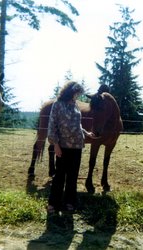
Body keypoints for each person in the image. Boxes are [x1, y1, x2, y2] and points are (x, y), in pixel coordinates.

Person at [47, 81, 96, 213]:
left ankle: (70, 202)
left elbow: (77, 124)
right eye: (77, 93)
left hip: (77, 146)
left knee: (73, 176)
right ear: (70, 91)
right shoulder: (57, 105)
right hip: (62, 147)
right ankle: (53, 203)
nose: (78, 96)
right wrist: (55, 145)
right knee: (59, 176)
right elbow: (52, 126)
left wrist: (86, 133)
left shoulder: (75, 105)